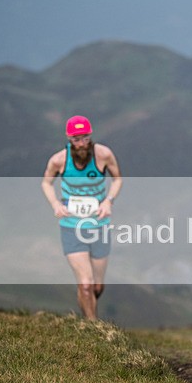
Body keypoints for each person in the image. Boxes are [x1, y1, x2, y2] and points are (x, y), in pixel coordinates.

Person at [41, 115, 122, 320]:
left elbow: (117, 179)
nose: (81, 143)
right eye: (76, 139)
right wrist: (56, 204)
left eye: (85, 138)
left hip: (99, 225)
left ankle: (87, 311)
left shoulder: (103, 155)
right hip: (71, 225)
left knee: (96, 286)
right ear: (69, 139)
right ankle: (93, 329)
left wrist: (108, 201)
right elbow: (46, 183)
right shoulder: (59, 160)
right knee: (85, 285)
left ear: (90, 136)